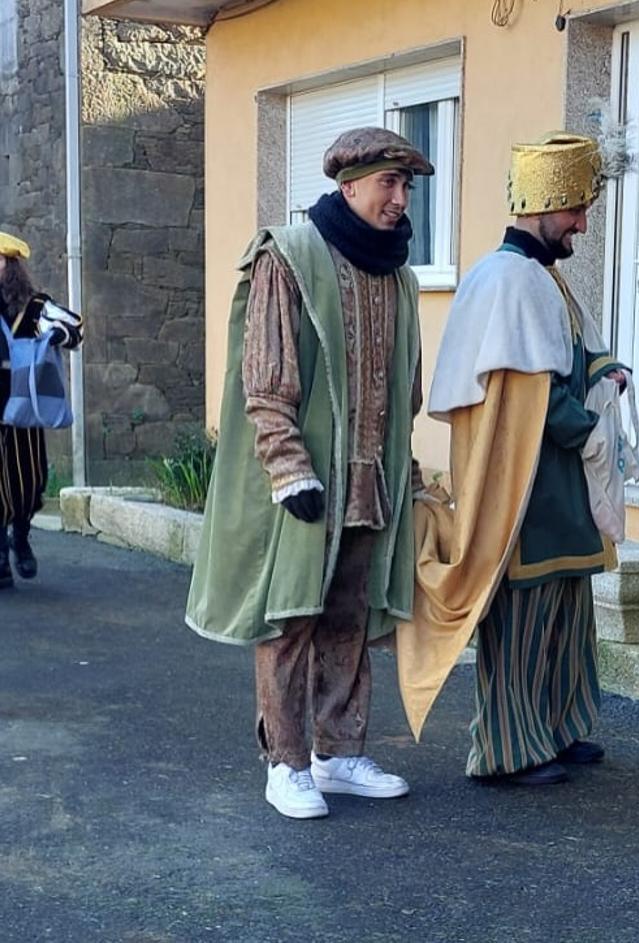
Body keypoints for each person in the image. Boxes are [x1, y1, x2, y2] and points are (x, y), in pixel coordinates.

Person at [185, 128, 432, 819]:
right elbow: (265, 377)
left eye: (406, 186)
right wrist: (289, 467)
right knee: (291, 616)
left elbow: (402, 390)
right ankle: (286, 762)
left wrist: (402, 467)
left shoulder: (400, 274)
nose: (400, 198)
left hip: (368, 476)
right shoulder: (289, 256)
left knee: (351, 618)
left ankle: (339, 752)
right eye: (389, 183)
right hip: (304, 481)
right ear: (349, 185)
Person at [420, 132, 628, 787]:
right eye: (574, 209)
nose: (582, 224)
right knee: (525, 619)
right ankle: (509, 748)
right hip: (526, 491)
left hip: (557, 486)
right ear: (542, 203)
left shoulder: (544, 278)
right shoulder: (508, 280)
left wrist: (605, 374)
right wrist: (590, 414)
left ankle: (558, 728)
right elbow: (528, 396)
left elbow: (568, 361)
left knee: (566, 615)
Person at [0, 232, 83, 590]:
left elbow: (73, 327)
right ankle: (1, 554)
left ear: (10, 266)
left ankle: (20, 536)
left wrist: (57, 335)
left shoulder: (31, 307)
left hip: (21, 409)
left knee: (29, 483)